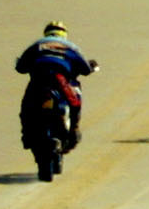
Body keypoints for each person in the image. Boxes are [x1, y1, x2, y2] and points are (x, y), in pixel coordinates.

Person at [16, 21, 96, 152]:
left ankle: (27, 134)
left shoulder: (37, 45)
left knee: (27, 105)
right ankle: (74, 129)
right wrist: (90, 68)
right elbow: (85, 69)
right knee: (74, 101)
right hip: (60, 79)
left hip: (39, 79)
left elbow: (21, 68)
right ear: (64, 34)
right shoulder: (70, 47)